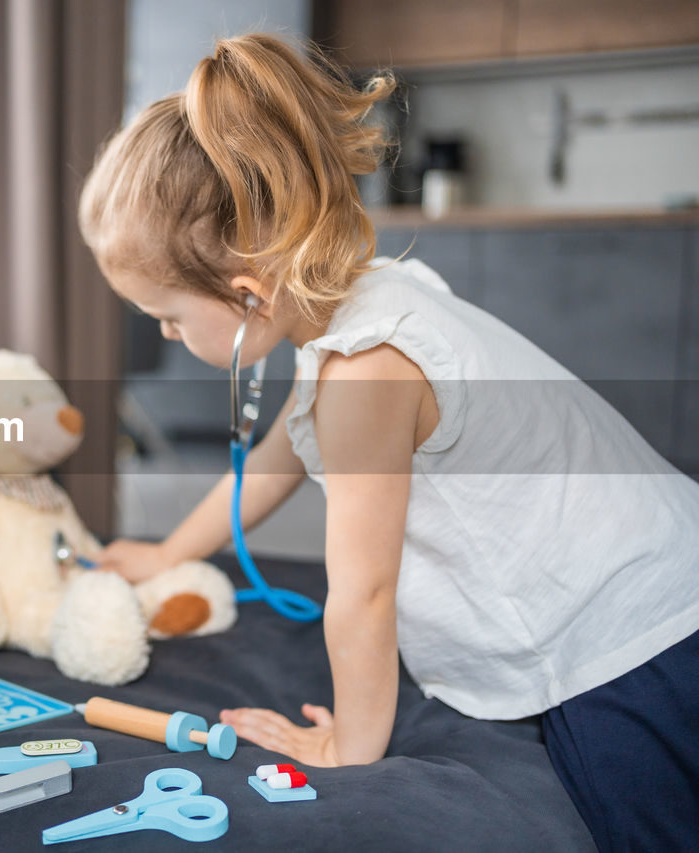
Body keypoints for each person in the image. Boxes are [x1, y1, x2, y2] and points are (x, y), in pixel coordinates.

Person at [77, 32, 699, 851]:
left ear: (245, 294)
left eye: (168, 316)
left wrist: (349, 748)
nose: (164, 331)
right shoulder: (363, 304)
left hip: (638, 639)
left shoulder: (365, 379)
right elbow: (277, 461)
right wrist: (167, 553)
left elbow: (363, 594)